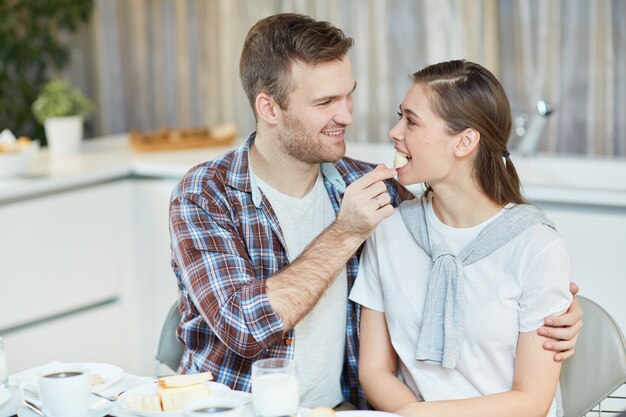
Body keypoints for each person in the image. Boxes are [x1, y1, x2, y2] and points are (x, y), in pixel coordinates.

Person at [169, 14, 582, 410]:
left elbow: (479, 241)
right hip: (237, 407)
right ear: (269, 108)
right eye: (326, 101)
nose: (347, 115)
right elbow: (244, 327)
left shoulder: (379, 190)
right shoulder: (205, 195)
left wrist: (559, 312)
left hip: (342, 409)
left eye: (349, 94)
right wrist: (346, 232)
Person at [350, 60, 574, 417]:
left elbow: (532, 401)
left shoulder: (536, 246)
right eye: (400, 116)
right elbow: (374, 370)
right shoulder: (389, 231)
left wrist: (426, 415)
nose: (394, 132)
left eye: (411, 120)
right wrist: (414, 412)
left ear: (465, 141)